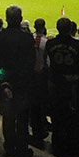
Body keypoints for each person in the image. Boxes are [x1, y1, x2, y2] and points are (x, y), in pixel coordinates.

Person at [0, 4, 38, 157]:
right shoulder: (27, 38)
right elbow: (30, 63)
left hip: (6, 86)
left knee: (8, 117)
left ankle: (10, 147)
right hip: (22, 86)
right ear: (20, 18)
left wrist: (3, 83)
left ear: (6, 19)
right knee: (22, 119)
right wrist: (21, 83)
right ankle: (22, 149)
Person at [44, 17, 79, 157]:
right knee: (71, 117)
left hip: (55, 85)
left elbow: (47, 64)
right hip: (71, 86)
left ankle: (57, 146)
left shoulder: (50, 43)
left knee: (56, 116)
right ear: (71, 29)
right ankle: (71, 146)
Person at [29, 18, 50, 148]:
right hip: (41, 75)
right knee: (41, 102)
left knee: (32, 101)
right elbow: (48, 62)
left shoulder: (29, 38)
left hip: (30, 74)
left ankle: (34, 124)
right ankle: (41, 127)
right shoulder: (46, 42)